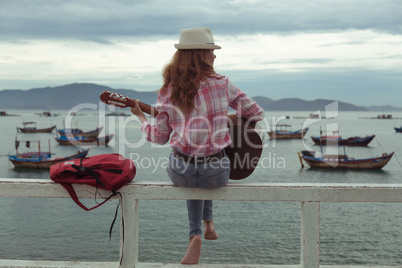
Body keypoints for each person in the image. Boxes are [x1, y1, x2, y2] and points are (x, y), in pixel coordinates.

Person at [131, 27, 264, 264]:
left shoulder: (167, 90)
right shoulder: (223, 84)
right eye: (212, 51)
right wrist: (228, 119)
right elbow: (257, 113)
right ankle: (208, 223)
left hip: (179, 172)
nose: (215, 56)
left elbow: (160, 138)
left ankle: (196, 234)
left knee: (192, 172)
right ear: (203, 55)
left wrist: (141, 118)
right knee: (207, 170)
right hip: (217, 173)